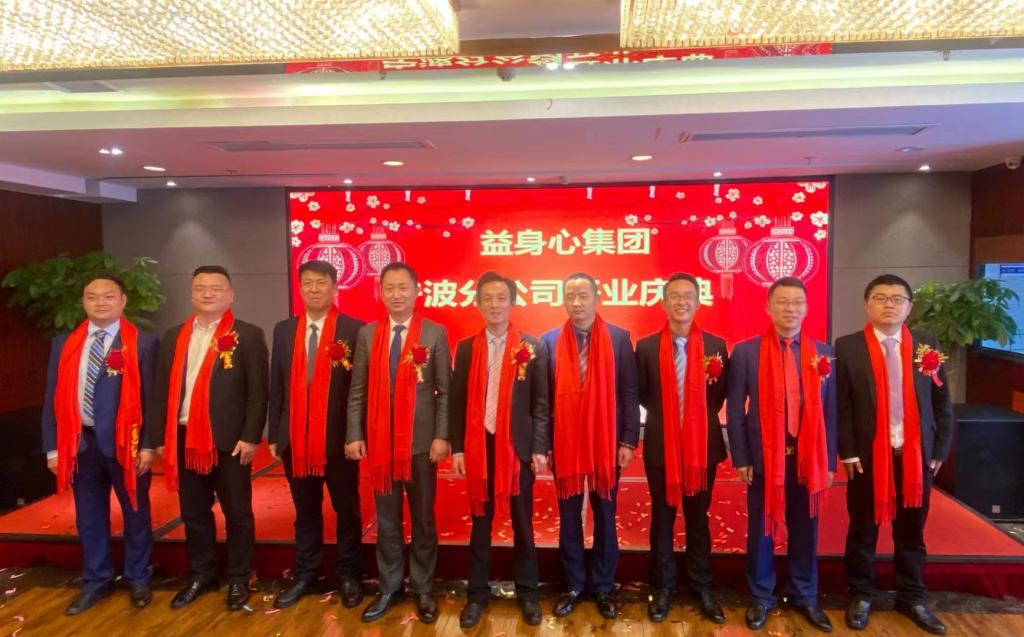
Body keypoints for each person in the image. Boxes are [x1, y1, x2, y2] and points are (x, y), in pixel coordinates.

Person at [836, 274, 953, 636]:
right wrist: (847, 450)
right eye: (880, 297)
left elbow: (942, 403)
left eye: (897, 298)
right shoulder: (848, 346)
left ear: (908, 307)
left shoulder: (926, 346)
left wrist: (940, 448)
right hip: (867, 457)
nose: (889, 304)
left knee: (911, 532)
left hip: (915, 457)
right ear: (867, 304)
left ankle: (911, 596)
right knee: (862, 530)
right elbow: (842, 405)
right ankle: (861, 595)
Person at [153, 265, 269, 611]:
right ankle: (202, 573)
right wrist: (159, 435)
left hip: (230, 442)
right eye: (200, 288)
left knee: (238, 513)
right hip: (183, 437)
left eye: (216, 288)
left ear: (230, 295)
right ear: (191, 294)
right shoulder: (173, 336)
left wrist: (251, 436)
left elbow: (258, 391)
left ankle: (239, 577)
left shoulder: (248, 335)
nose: (208, 293)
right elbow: (161, 389)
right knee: (194, 512)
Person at [41, 274, 158, 615]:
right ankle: (96, 580)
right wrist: (53, 448)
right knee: (89, 516)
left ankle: (138, 577)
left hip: (126, 445)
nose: (100, 302)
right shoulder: (64, 343)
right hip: (80, 444)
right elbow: (51, 397)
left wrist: (148, 446)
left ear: (122, 300)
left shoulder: (143, 343)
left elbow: (152, 399)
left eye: (108, 296)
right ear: (83, 302)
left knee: (136, 513)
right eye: (92, 297)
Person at [726, 276, 837, 633]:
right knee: (762, 528)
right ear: (768, 307)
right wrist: (741, 458)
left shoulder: (823, 353)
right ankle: (761, 595)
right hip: (763, 457)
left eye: (797, 303)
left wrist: (829, 461)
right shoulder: (746, 352)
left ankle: (805, 595)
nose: (790, 309)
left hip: (808, 458)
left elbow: (831, 411)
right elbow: (735, 409)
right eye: (782, 302)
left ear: (806, 308)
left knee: (806, 527)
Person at [345, 262, 451, 624]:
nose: (396, 294)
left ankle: (423, 588)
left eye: (403, 287)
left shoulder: (434, 333)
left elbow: (444, 391)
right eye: (389, 288)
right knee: (387, 521)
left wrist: (441, 435)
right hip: (381, 444)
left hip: (421, 445)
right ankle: (389, 587)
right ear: (381, 292)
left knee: (423, 520)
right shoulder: (368, 334)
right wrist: (354, 434)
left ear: (417, 291)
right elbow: (357, 389)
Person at [449, 271, 549, 628]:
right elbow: (457, 402)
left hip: (517, 449)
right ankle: (477, 595)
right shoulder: (466, 348)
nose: (494, 304)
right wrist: (458, 449)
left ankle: (528, 593)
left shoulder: (532, 347)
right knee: (480, 523)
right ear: (478, 304)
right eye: (487, 298)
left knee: (523, 523)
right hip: (479, 446)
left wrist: (538, 448)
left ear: (513, 303)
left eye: (501, 298)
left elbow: (540, 403)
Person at [541, 272, 639, 620]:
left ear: (597, 299)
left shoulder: (618, 338)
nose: (577, 302)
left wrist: (628, 439)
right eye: (570, 296)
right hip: (565, 443)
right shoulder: (549, 341)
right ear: (563, 301)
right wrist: (545, 444)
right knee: (568, 518)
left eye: (584, 295)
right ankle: (573, 584)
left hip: (605, 443)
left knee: (605, 516)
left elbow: (629, 392)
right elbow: (543, 399)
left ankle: (602, 585)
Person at [267, 260, 365, 610]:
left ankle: (348, 574)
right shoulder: (284, 330)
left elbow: (359, 389)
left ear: (335, 288)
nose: (313, 289)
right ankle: (305, 573)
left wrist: (356, 434)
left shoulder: (354, 329)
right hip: (295, 439)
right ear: (300, 288)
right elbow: (277, 385)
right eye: (307, 283)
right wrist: (275, 433)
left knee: (346, 510)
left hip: (338, 441)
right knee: (305, 511)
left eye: (321, 283)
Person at [635, 272, 728, 624]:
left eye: (688, 295)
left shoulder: (716, 345)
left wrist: (692, 422)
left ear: (698, 302)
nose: (681, 301)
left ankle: (701, 586)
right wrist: (671, 421)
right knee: (662, 517)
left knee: (698, 518)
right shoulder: (646, 347)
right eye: (674, 295)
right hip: (662, 446)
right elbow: (644, 395)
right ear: (663, 302)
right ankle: (662, 587)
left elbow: (717, 397)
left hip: (702, 447)